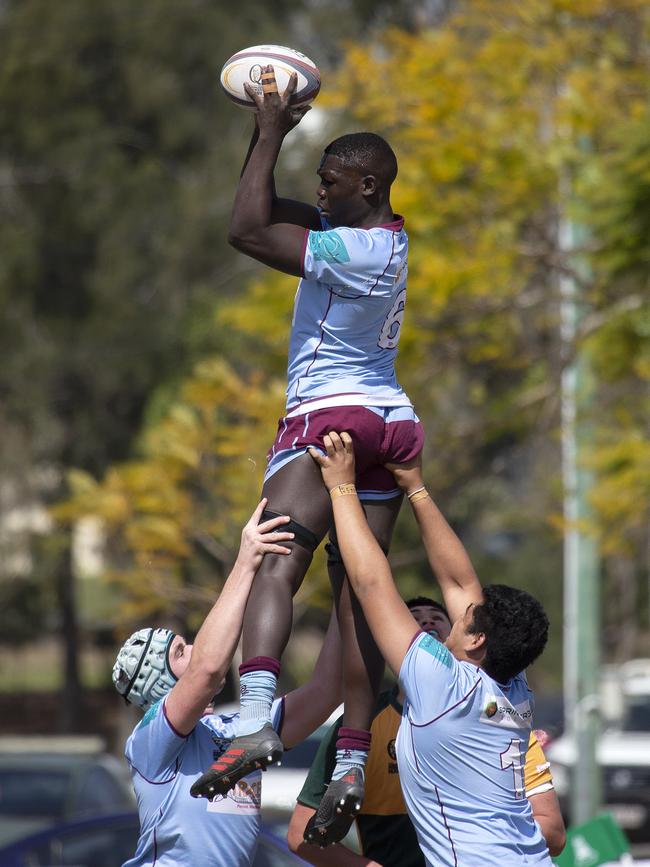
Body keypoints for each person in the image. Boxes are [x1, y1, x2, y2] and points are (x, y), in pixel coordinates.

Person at [191, 64, 423, 820]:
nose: (318, 192)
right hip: (391, 424)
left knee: (273, 559)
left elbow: (244, 230)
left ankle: (258, 715)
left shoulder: (351, 251)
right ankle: (352, 761)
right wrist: (268, 137)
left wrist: (266, 134)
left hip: (331, 419)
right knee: (359, 593)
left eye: (329, 182)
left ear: (368, 184)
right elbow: (259, 202)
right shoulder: (374, 234)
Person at [308, 432, 555, 866]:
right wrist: (414, 486)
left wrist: (341, 486)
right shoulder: (513, 685)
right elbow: (459, 583)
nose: (458, 613)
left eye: (464, 617)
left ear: (477, 639)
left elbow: (371, 583)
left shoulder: (444, 686)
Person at [112, 499, 343, 867]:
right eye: (179, 651)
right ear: (159, 684)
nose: (193, 648)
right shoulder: (147, 741)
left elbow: (328, 690)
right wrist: (246, 559)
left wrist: (346, 585)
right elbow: (207, 669)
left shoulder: (241, 726)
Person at [288, 601, 565, 865]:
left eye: (438, 617)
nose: (426, 621)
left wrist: (483, 837)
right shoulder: (358, 725)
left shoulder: (506, 721)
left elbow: (553, 833)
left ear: (471, 638)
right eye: (413, 618)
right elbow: (301, 834)